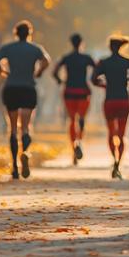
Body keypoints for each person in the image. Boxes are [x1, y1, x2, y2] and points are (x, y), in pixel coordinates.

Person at [0, 21, 51, 179]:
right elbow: (47, 60)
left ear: (16, 33)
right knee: (25, 127)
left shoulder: (8, 48)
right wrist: (38, 73)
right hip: (28, 88)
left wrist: (2, 72)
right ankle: (25, 152)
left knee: (12, 128)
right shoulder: (35, 48)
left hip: (11, 88)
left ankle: (14, 166)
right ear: (29, 33)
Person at [92, 35, 129, 179]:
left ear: (109, 47)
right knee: (122, 135)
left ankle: (114, 160)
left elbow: (93, 78)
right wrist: (125, 79)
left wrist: (104, 84)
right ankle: (119, 163)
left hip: (110, 101)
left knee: (111, 133)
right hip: (124, 100)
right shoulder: (127, 61)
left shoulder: (103, 62)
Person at [54, 33, 97, 166]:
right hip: (83, 91)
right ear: (81, 43)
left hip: (69, 91)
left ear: (71, 43)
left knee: (72, 120)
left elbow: (55, 71)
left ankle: (74, 147)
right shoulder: (86, 58)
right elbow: (97, 70)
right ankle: (79, 141)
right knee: (82, 118)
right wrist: (93, 80)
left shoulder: (66, 58)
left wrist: (60, 81)